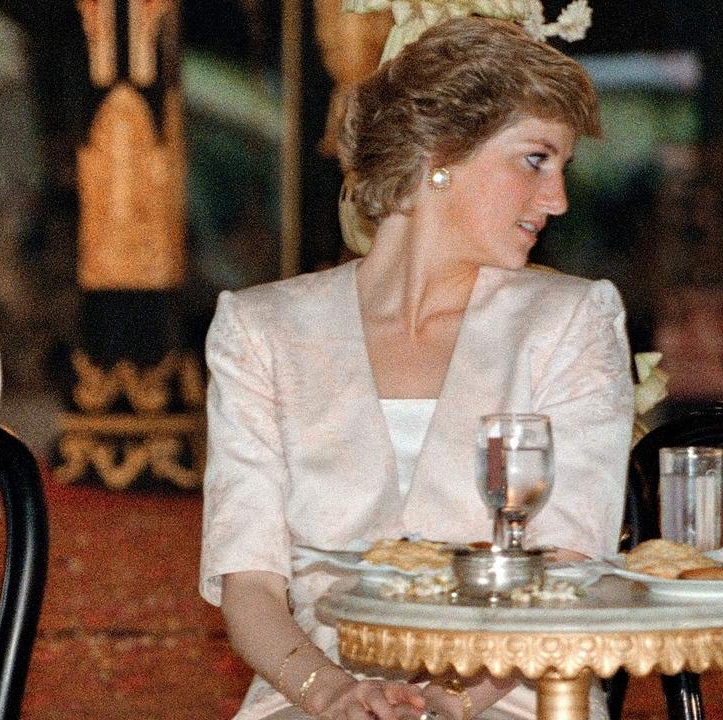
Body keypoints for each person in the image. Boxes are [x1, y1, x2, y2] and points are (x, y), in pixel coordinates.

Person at [200, 17, 632, 720]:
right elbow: (249, 585)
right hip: (310, 695)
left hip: (512, 691)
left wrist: (448, 702)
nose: (557, 199)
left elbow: (569, 570)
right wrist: (332, 691)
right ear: (439, 151)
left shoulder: (571, 322)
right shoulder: (262, 331)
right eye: (535, 160)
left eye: (563, 168)